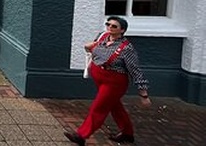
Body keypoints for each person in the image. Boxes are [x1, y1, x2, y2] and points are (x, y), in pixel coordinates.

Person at [64, 16, 150, 145]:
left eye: (114, 26)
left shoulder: (127, 49)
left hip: (114, 82)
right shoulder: (102, 37)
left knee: (99, 107)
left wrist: (144, 94)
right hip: (99, 77)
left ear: (122, 30)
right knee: (115, 106)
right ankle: (127, 133)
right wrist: (88, 47)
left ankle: (81, 135)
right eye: (108, 24)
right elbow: (92, 49)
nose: (109, 27)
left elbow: (135, 70)